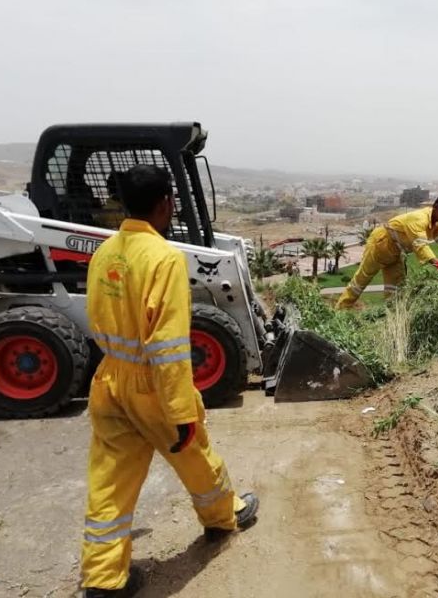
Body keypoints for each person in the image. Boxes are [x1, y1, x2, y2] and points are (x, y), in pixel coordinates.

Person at [80, 164, 259, 597]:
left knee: (110, 480)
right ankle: (222, 519)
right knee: (194, 452)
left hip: (108, 380)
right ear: (165, 203)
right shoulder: (163, 259)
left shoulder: (104, 253)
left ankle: (103, 579)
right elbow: (168, 346)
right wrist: (181, 411)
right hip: (150, 385)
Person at [335, 194, 438, 309]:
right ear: (436, 206)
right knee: (361, 280)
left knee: (396, 288)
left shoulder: (437, 224)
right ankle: (340, 310)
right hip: (380, 245)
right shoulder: (419, 219)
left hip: (395, 252)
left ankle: (389, 316)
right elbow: (421, 246)